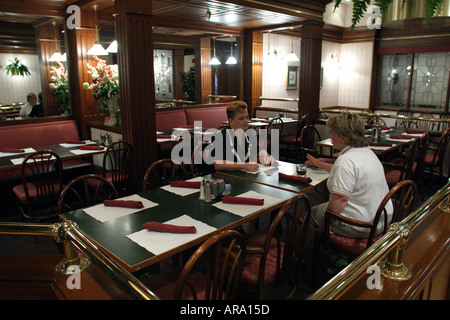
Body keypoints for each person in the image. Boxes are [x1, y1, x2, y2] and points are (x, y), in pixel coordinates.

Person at [303, 112, 393, 274]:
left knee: (308, 215)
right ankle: (338, 255)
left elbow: (340, 200)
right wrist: (318, 163)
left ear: (344, 137)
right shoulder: (366, 152)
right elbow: (345, 172)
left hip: (362, 224)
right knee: (324, 208)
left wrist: (326, 225)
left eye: (332, 133)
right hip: (382, 218)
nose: (330, 136)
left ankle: (326, 258)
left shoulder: (346, 161)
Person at [211, 101, 277, 172]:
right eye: (241, 118)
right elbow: (217, 164)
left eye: (247, 117)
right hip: (226, 178)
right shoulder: (220, 136)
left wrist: (266, 156)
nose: (246, 121)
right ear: (231, 121)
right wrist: (245, 165)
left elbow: (259, 150)